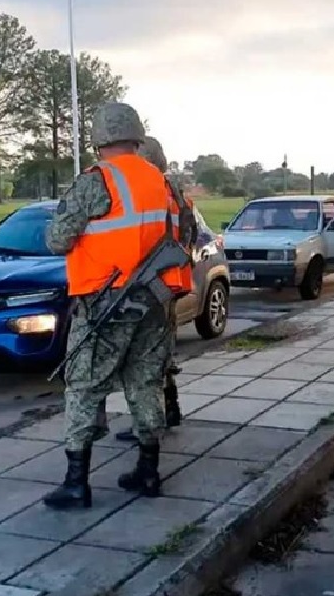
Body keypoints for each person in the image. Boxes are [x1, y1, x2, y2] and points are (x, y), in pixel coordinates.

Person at [42, 102, 187, 509]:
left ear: (99, 138)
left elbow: (57, 241)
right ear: (136, 136)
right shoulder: (162, 182)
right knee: (146, 383)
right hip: (155, 301)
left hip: (106, 303)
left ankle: (76, 483)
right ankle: (148, 471)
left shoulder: (97, 180)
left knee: (84, 386)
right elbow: (181, 232)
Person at [113, 135, 197, 444]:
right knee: (162, 352)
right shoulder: (176, 193)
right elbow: (189, 235)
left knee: (143, 359)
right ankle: (170, 409)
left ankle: (148, 423)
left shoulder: (150, 192)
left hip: (151, 285)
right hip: (171, 283)